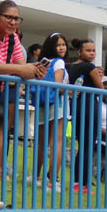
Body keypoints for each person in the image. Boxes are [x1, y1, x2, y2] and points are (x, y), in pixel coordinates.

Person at [0, 0, 45, 198]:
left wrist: (35, 72)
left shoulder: (12, 37)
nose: (14, 22)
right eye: (9, 17)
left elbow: (21, 67)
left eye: (17, 18)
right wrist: (21, 70)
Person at [32, 32, 69, 193]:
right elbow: (58, 86)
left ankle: (36, 176)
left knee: (41, 142)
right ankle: (52, 181)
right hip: (58, 103)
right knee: (57, 142)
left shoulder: (44, 62)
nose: (62, 48)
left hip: (42, 102)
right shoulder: (59, 62)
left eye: (63, 44)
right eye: (58, 45)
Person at [67, 37, 104, 194]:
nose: (92, 53)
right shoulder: (89, 67)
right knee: (88, 147)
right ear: (79, 52)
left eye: (93, 50)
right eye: (88, 50)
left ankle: (78, 182)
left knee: (82, 146)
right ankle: (82, 184)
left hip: (76, 107)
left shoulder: (71, 66)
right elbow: (101, 88)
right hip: (89, 107)